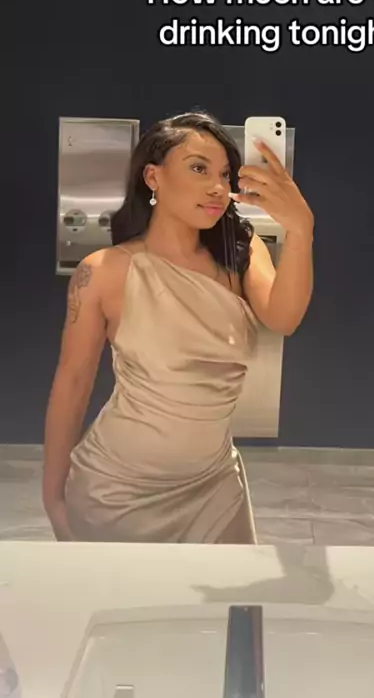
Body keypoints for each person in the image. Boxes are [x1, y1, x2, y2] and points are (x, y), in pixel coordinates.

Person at [42, 111, 314, 544]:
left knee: (227, 592)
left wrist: (301, 229)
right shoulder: (104, 272)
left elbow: (284, 318)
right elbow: (72, 382)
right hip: (116, 492)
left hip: (214, 490)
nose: (217, 187)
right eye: (199, 168)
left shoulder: (241, 256)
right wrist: (52, 496)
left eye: (224, 174)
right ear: (153, 176)